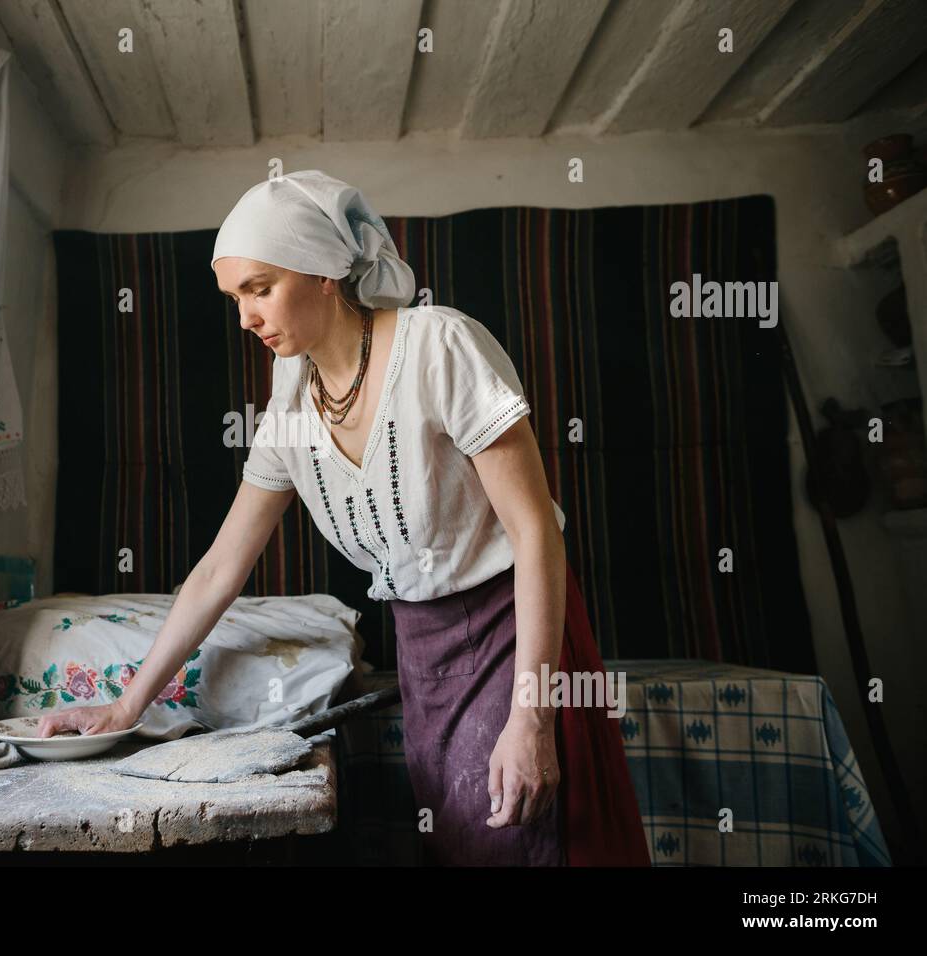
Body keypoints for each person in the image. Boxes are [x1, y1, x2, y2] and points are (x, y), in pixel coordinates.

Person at [38, 170, 649, 866]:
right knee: (458, 844)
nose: (245, 318)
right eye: (233, 297)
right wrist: (125, 707)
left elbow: (536, 534)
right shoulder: (294, 405)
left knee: (531, 841)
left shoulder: (439, 347)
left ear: (326, 272)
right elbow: (220, 568)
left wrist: (532, 716)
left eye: (260, 288)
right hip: (426, 652)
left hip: (518, 632)